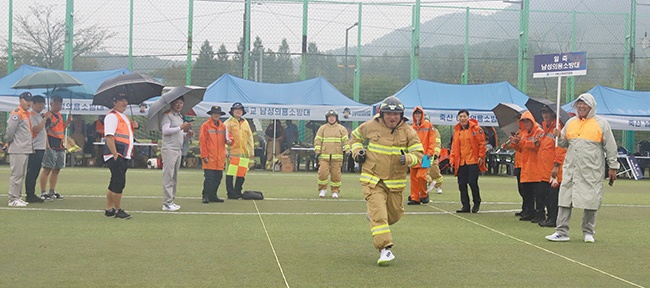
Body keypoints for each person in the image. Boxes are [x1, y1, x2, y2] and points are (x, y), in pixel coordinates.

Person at [350, 96, 423, 266]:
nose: (392, 117)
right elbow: (354, 138)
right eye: (389, 113)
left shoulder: (408, 131)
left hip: (395, 183)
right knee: (380, 216)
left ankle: (375, 216)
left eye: (396, 114)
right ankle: (385, 250)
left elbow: (419, 154)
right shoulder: (370, 126)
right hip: (373, 179)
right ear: (382, 114)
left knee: (395, 215)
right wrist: (357, 152)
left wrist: (408, 158)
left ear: (401, 115)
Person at [546, 93, 619, 243]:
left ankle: (588, 232)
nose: (581, 106)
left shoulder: (601, 124)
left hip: (591, 169)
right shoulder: (571, 122)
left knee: (591, 200)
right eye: (579, 103)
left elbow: (610, 147)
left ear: (591, 106)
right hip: (571, 168)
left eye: (584, 104)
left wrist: (613, 166)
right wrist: (558, 136)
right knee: (565, 199)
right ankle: (561, 231)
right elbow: (563, 143)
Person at [103, 92, 138, 219]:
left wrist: (135, 126)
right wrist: (115, 155)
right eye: (121, 100)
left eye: (126, 100)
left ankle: (109, 209)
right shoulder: (112, 116)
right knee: (119, 182)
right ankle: (118, 210)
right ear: (114, 102)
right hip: (117, 154)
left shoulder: (123, 116)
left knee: (114, 182)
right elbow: (109, 136)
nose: (124, 103)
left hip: (123, 154)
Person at [509, 111, 544, 222]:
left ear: (532, 121)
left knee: (537, 194)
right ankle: (530, 212)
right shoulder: (523, 133)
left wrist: (523, 143)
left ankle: (540, 214)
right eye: (523, 121)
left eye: (527, 121)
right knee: (526, 192)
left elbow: (537, 146)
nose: (525, 123)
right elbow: (521, 149)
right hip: (525, 166)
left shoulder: (539, 132)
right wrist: (515, 143)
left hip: (536, 167)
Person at [449, 109, 487, 213]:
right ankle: (465, 205)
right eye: (460, 116)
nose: (462, 118)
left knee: (472, 182)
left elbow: (482, 144)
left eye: (464, 116)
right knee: (461, 184)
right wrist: (452, 160)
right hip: (461, 162)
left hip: (473, 161)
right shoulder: (457, 131)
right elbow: (454, 148)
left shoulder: (476, 129)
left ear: (468, 117)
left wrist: (481, 156)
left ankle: (477, 202)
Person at [160, 96, 193, 211]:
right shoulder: (167, 115)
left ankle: (171, 200)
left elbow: (178, 134)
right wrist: (181, 127)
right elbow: (166, 131)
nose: (179, 105)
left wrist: (187, 135)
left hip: (178, 149)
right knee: (168, 176)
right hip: (169, 149)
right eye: (177, 103)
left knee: (174, 176)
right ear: (172, 104)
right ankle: (167, 203)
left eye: (181, 103)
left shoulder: (179, 116)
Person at [538, 106, 567, 228]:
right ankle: (550, 217)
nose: (545, 115)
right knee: (546, 194)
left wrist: (556, 165)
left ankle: (553, 218)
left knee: (553, 196)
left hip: (554, 169)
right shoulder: (547, 127)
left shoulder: (557, 128)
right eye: (543, 112)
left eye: (547, 112)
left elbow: (560, 149)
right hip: (545, 169)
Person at [40, 95, 72, 200]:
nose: (58, 106)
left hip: (59, 144)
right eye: (56, 103)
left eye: (60, 104)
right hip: (51, 143)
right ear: (51, 104)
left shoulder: (59, 115)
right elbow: (44, 130)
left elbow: (61, 129)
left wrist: (67, 122)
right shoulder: (47, 115)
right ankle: (43, 192)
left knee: (57, 169)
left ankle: (52, 190)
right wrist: (47, 146)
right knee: (47, 168)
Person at [5, 92, 34, 207]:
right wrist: (8, 142)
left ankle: (17, 196)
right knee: (16, 175)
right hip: (18, 148)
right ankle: (13, 199)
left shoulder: (26, 113)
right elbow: (10, 131)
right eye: (26, 100)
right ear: (20, 100)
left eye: (30, 100)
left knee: (21, 174)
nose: (29, 103)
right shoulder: (17, 113)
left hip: (24, 148)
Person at [314, 110, 350, 198]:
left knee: (336, 174)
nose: (331, 118)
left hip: (337, 156)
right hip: (324, 156)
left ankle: (335, 191)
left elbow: (346, 140)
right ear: (327, 118)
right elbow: (318, 140)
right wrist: (317, 151)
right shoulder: (322, 128)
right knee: (322, 173)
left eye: (333, 117)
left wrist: (347, 150)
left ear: (336, 118)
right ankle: (322, 189)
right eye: (329, 117)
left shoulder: (341, 129)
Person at [199, 106, 231, 203]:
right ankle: (206, 195)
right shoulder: (205, 126)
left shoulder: (223, 127)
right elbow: (202, 142)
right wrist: (204, 156)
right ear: (211, 114)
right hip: (210, 156)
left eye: (218, 113)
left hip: (219, 157)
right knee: (209, 177)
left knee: (218, 177)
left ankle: (213, 195)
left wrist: (230, 141)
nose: (216, 115)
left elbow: (228, 138)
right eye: (214, 113)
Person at [224, 102, 255, 199]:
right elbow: (224, 137)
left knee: (241, 174)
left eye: (240, 110)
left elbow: (250, 138)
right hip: (232, 152)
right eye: (236, 109)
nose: (238, 111)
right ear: (232, 111)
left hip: (243, 153)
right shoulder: (228, 123)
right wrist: (225, 149)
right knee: (230, 173)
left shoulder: (245, 122)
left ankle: (238, 191)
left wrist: (251, 152)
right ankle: (230, 193)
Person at [25, 95, 51, 203]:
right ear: (33, 104)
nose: (41, 106)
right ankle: (30, 194)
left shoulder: (39, 115)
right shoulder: (32, 115)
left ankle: (32, 193)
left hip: (40, 147)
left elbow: (43, 130)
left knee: (35, 171)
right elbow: (36, 129)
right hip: (34, 147)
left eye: (43, 103)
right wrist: (45, 119)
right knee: (32, 171)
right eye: (39, 103)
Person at [408, 107, 436, 205]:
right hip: (414, 156)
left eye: (419, 113)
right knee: (413, 177)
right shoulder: (412, 128)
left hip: (425, 156)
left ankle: (424, 195)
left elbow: (432, 141)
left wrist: (430, 152)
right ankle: (415, 197)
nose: (417, 115)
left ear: (422, 114)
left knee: (421, 176)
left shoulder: (429, 126)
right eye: (416, 114)